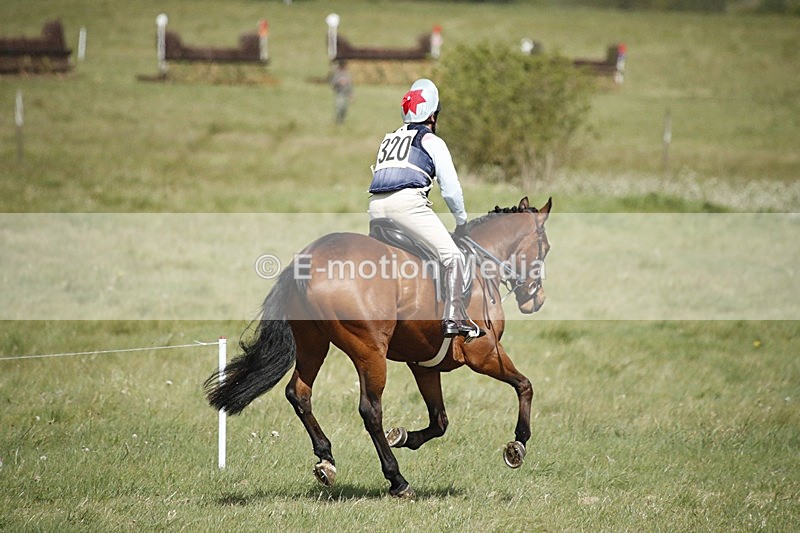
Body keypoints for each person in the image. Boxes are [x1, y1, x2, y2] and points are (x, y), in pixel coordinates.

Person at [368, 78, 482, 339]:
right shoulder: (431, 141)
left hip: (375, 208)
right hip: (406, 205)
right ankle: (454, 317)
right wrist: (462, 222)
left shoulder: (389, 139)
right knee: (453, 257)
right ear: (432, 114)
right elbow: (451, 190)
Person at [330, 60, 353, 124]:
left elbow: (350, 85)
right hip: (339, 94)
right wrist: (339, 82)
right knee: (339, 108)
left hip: (345, 95)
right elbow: (333, 84)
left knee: (344, 109)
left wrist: (351, 95)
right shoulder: (337, 74)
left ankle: (342, 121)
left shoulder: (347, 75)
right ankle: (337, 121)